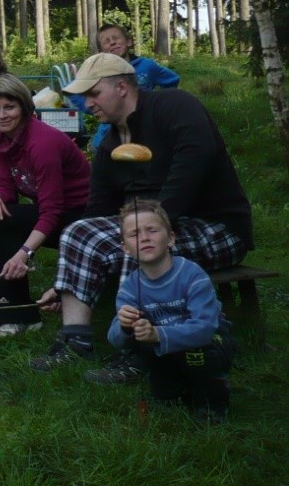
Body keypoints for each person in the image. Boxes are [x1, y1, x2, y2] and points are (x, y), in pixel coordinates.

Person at [32, 52, 252, 372]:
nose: (88, 103)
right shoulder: (109, 145)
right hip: (158, 229)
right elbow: (97, 213)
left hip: (216, 227)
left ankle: (137, 352)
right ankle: (76, 341)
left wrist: (151, 222)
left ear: (122, 87)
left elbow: (196, 158)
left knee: (138, 239)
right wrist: (66, 280)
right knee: (79, 231)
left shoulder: (173, 105)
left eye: (94, 93)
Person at [0, 73, 90, 338]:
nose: (1, 115)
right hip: (55, 212)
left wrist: (24, 253)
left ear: (24, 106)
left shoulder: (42, 143)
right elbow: (2, 184)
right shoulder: (1, 140)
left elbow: (53, 210)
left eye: (9, 107)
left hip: (79, 217)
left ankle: (20, 315)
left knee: (5, 226)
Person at [107, 199, 233, 422]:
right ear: (125, 248)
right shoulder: (130, 287)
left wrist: (158, 334)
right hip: (165, 350)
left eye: (152, 230)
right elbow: (115, 339)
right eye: (135, 234)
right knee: (156, 372)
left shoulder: (192, 275)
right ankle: (173, 391)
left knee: (203, 355)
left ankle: (213, 400)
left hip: (208, 343)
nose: (145, 237)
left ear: (171, 238)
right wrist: (125, 325)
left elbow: (204, 328)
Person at [68, 22, 181, 150]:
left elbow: (172, 79)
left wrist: (155, 104)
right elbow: (73, 92)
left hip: (142, 130)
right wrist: (96, 108)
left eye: (116, 38)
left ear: (129, 41)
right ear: (101, 52)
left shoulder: (147, 66)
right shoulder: (98, 72)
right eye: (106, 41)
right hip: (107, 135)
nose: (112, 42)